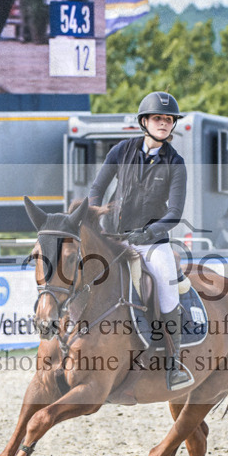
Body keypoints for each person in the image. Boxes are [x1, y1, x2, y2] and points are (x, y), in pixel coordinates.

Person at [88, 91, 193, 391]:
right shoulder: (121, 151)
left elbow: (174, 213)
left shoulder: (176, 163)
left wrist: (147, 234)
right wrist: (94, 214)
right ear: (145, 122)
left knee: (165, 284)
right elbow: (97, 188)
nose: (164, 123)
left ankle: (174, 363)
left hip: (153, 243)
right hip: (113, 238)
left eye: (169, 119)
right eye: (158, 118)